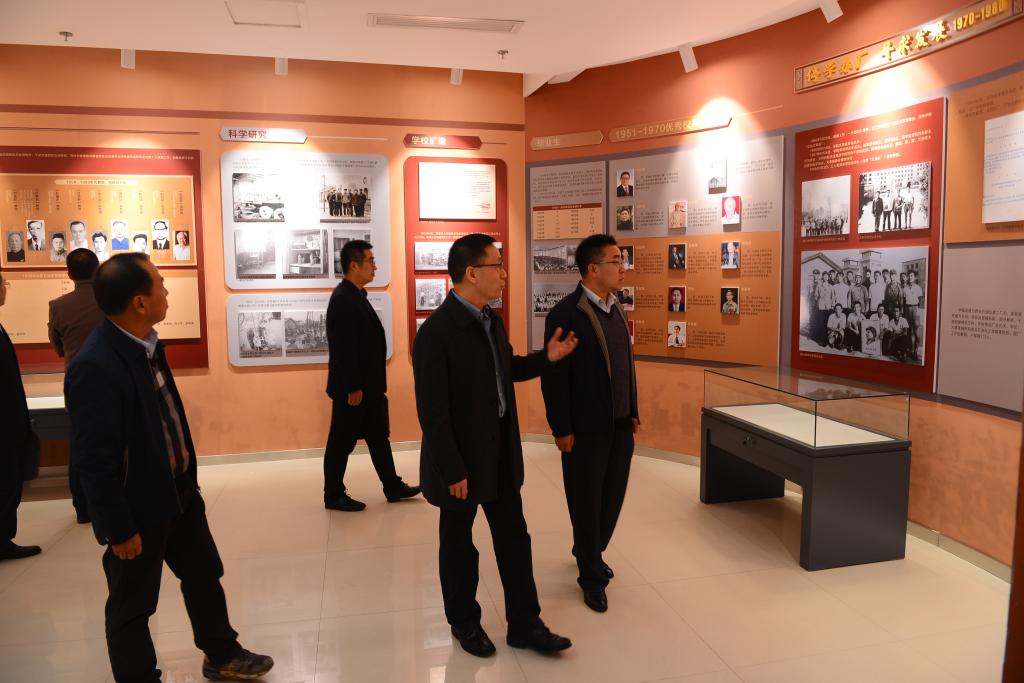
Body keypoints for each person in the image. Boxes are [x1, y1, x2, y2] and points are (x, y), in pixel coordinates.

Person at [66, 253, 273, 682]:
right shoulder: (96, 365)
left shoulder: (146, 344)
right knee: (132, 605)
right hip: (139, 507)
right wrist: (118, 528)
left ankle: (221, 654)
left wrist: (188, 482)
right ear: (140, 302)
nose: (166, 290)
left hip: (178, 491)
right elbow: (93, 460)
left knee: (203, 574)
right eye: (160, 284)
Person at [413, 233, 576, 658]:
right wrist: (452, 468)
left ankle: (525, 624)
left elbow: (507, 368)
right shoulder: (437, 332)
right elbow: (432, 411)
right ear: (472, 273)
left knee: (514, 539)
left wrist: (546, 358)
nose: (504, 274)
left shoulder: (491, 320)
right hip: (461, 463)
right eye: (496, 266)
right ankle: (464, 623)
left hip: (499, 454)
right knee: (459, 546)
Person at [541, 234, 637, 613]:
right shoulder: (566, 313)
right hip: (585, 429)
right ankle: (591, 576)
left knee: (612, 498)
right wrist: (561, 428)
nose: (622, 267)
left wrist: (632, 409)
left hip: (620, 425)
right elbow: (554, 377)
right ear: (594, 268)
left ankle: (589, 549)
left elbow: (625, 365)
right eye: (616, 260)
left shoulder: (617, 308)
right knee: (586, 501)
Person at [324, 240, 420, 511]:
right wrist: (353, 386)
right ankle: (333, 494)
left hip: (370, 388)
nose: (375, 267)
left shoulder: (356, 296)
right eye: (371, 261)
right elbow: (343, 348)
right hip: (354, 389)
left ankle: (392, 486)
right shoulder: (343, 299)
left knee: (378, 437)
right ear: (354, 265)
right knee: (341, 442)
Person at [48, 248, 106, 524]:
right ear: (97, 270)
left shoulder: (58, 306)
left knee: (80, 443)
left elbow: (58, 347)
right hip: (112, 379)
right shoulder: (110, 301)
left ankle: (83, 507)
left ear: (69, 274)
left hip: (77, 382)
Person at [0, 271, 42, 561]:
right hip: (4, 423)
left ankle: (4, 538)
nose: (6, 289)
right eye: (4, 284)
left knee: (9, 481)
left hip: (9, 420)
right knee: (5, 483)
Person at [903, 269, 924, 361]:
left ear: (914, 277)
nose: (910, 277)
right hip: (907, 309)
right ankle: (910, 351)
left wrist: (919, 311)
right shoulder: (905, 288)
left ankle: (915, 351)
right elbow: (904, 301)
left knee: (916, 331)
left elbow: (921, 301)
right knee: (909, 331)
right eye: (909, 276)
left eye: (911, 276)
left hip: (915, 309)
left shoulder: (918, 288)